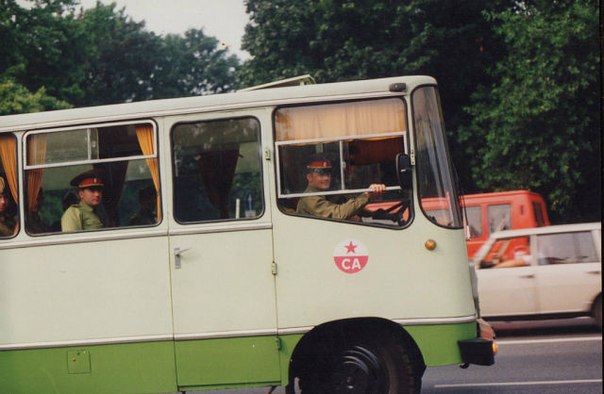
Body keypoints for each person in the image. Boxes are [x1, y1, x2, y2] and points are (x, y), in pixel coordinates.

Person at [296, 156, 386, 220]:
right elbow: (338, 214)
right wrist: (367, 194)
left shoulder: (325, 194)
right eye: (321, 174)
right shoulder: (310, 198)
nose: (326, 178)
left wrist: (376, 214)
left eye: (328, 174)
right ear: (309, 177)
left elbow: (347, 208)